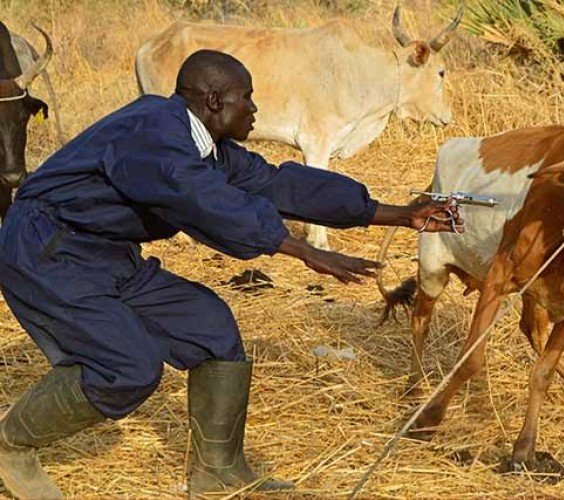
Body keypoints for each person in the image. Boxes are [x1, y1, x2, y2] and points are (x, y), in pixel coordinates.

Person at [0, 49, 463, 499]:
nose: (256, 109)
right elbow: (200, 198)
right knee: (128, 367)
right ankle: (11, 446)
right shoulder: (153, 133)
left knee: (210, 327)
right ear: (214, 102)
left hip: (104, 254)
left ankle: (218, 471)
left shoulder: (208, 145)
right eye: (248, 97)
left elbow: (279, 183)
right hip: (46, 250)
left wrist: (399, 214)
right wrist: (298, 248)